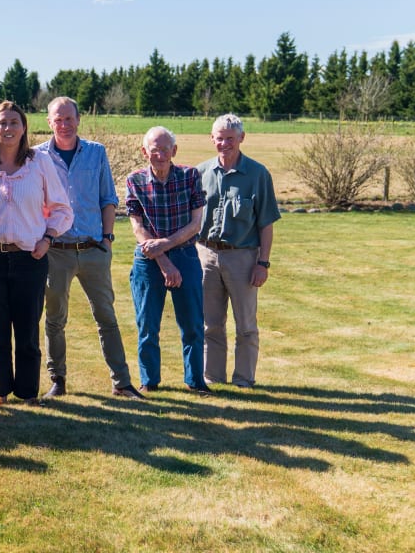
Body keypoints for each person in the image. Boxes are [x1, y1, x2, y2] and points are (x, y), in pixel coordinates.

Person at [35, 97, 144, 400]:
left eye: (69, 118)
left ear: (78, 119)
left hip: (93, 248)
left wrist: (107, 240)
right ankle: (57, 380)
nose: (64, 125)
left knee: (106, 317)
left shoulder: (96, 152)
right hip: (56, 250)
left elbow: (108, 198)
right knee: (55, 318)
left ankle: (121, 382)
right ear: (49, 122)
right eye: (58, 119)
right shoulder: (37, 156)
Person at [0, 101, 73, 407]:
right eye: (2, 123)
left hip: (30, 257)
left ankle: (28, 392)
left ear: (24, 127)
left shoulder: (39, 162)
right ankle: (0, 391)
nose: (8, 128)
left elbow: (62, 209)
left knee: (27, 329)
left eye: (14, 122)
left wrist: (48, 238)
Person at [125, 126, 211, 394]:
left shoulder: (190, 176)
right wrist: (163, 259)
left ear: (174, 151)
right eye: (154, 150)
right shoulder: (135, 180)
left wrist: (165, 244)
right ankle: (149, 382)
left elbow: (196, 224)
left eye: (165, 150)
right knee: (147, 325)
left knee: (192, 324)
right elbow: (137, 227)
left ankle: (195, 381)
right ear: (144, 152)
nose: (160, 155)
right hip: (148, 260)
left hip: (185, 255)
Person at [197, 114, 281, 388]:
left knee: (245, 325)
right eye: (219, 138)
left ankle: (244, 379)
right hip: (205, 256)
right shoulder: (200, 173)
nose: (225, 144)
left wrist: (262, 263)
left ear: (242, 138)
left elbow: (266, 224)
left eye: (230, 138)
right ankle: (212, 377)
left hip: (242, 257)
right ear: (212, 139)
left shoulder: (258, 174)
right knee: (210, 324)